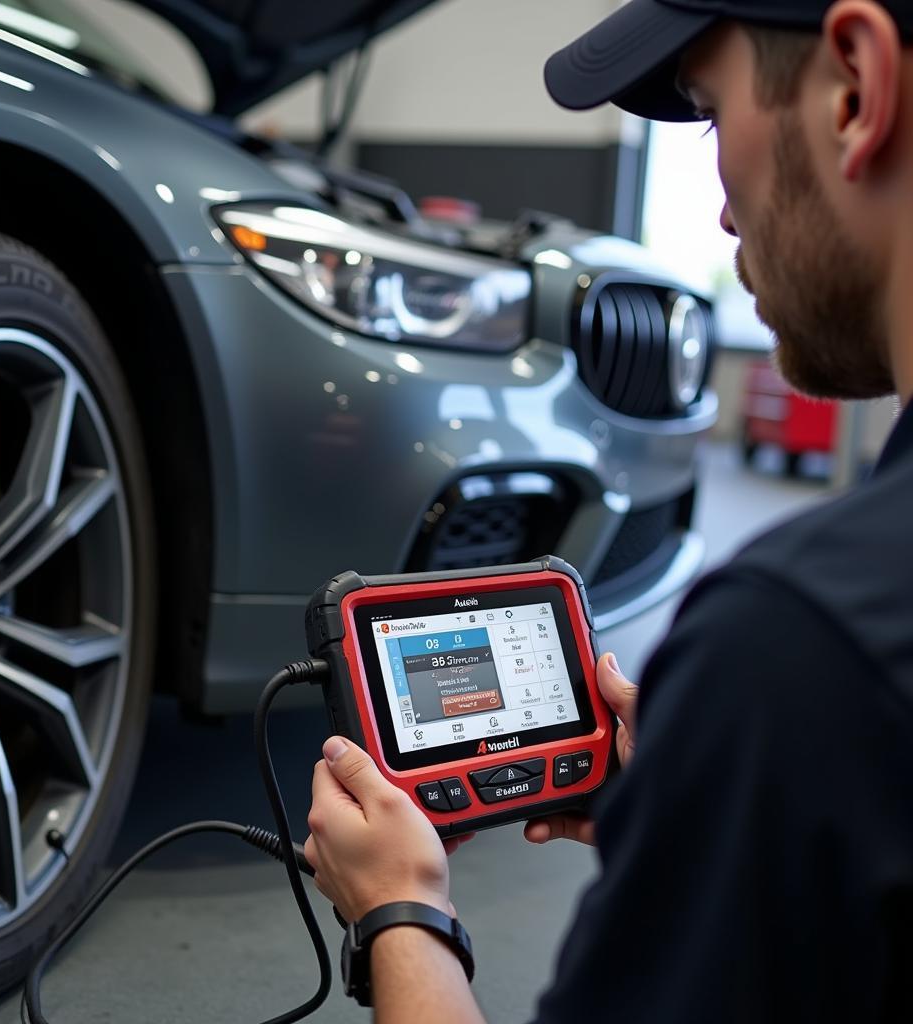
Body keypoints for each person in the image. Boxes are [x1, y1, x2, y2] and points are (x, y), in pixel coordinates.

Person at [303, 1, 913, 1019]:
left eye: (711, 115)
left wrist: (399, 913)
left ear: (855, 91)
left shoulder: (798, 649)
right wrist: (721, 809)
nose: (722, 214)